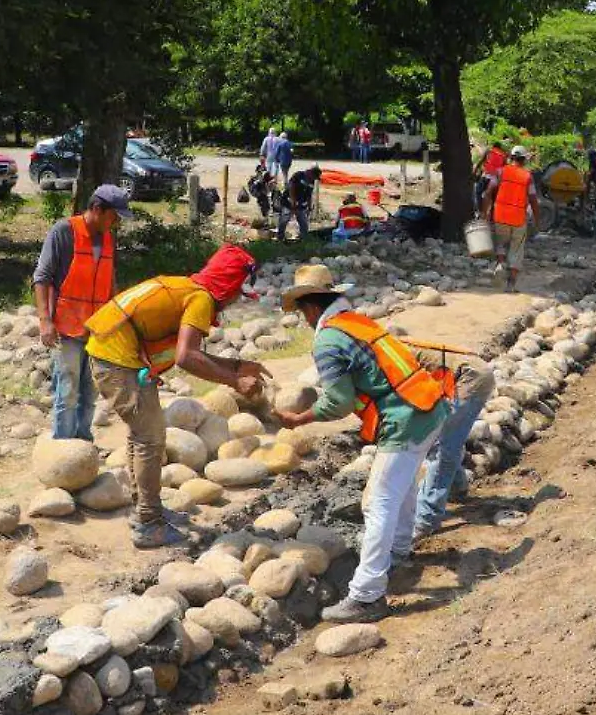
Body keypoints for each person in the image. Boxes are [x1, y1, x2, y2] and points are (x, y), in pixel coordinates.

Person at [275, 264, 448, 621]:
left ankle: (367, 596)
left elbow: (337, 402)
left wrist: (299, 419)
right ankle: (398, 552)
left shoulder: (328, 340)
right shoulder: (357, 322)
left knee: (377, 502)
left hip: (406, 419)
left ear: (309, 307)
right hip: (429, 406)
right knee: (402, 486)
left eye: (301, 312)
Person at [83, 245, 271, 547]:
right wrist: (235, 381)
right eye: (237, 292)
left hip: (113, 352)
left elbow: (191, 353)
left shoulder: (188, 288)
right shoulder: (201, 300)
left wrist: (237, 366)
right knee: (149, 438)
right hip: (116, 359)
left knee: (144, 434)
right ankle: (148, 523)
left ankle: (146, 511)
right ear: (229, 285)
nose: (236, 299)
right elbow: (187, 358)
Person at [32, 185, 127, 441]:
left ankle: (84, 445)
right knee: (68, 391)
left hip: (97, 330)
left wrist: (119, 321)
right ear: (96, 209)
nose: (116, 222)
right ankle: (63, 449)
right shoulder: (64, 232)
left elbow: (110, 281)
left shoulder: (108, 238)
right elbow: (41, 278)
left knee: (90, 390)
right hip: (66, 326)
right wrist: (45, 321)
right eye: (114, 216)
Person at [411, 346, 495, 538]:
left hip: (470, 379)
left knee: (441, 447)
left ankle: (425, 520)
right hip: (473, 374)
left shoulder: (394, 356)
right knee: (449, 440)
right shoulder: (398, 347)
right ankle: (458, 488)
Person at [480, 145, 536, 292]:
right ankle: (511, 285)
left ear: (510, 157)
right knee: (516, 249)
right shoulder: (527, 176)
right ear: (524, 160)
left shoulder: (500, 172)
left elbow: (487, 193)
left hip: (500, 215)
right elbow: (533, 199)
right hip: (518, 218)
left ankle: (500, 265)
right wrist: (538, 218)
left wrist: (485, 214)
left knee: (501, 243)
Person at [277, 164, 322, 241]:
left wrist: (310, 205)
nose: (314, 178)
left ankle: (303, 238)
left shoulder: (312, 181)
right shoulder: (298, 175)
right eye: (314, 176)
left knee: (303, 222)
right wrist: (293, 201)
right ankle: (280, 237)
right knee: (284, 219)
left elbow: (309, 194)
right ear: (310, 172)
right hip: (288, 202)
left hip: (300, 205)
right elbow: (291, 187)